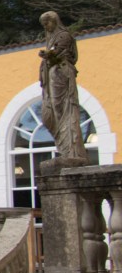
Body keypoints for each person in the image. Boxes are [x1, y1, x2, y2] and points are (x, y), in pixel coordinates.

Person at [38, 11, 87, 162]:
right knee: (51, 114)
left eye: (47, 23)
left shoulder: (63, 36)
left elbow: (58, 52)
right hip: (54, 74)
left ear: (54, 21)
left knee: (63, 109)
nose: (46, 27)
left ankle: (72, 151)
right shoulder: (52, 38)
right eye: (44, 25)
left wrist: (48, 55)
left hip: (61, 73)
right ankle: (65, 148)